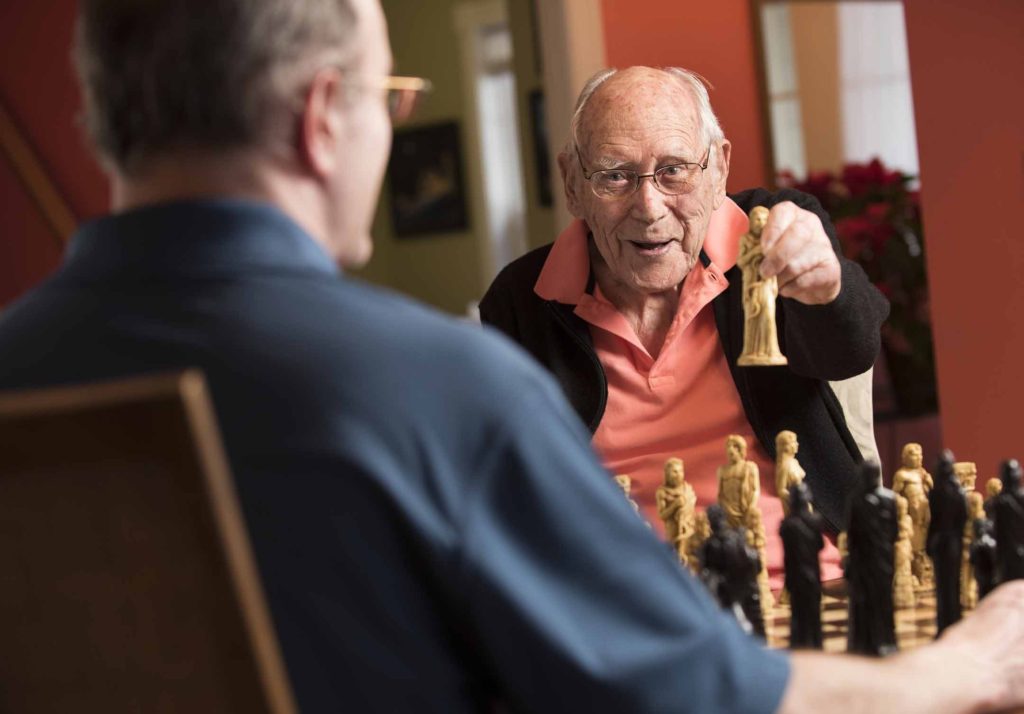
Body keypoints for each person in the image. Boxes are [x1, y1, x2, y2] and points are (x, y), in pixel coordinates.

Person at [1, 2, 1024, 712]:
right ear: (322, 122)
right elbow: (678, 691)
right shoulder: (447, 385)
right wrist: (961, 669)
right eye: (387, 97)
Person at [479, 66, 889, 589]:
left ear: (719, 167)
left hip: (806, 580)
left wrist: (827, 286)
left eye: (674, 170)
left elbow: (848, 351)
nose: (649, 208)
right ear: (572, 183)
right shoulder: (522, 300)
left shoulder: (769, 235)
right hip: (632, 607)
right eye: (614, 175)